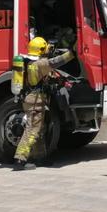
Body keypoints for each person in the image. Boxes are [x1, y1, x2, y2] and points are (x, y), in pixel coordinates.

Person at [11, 36, 74, 171]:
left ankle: (40, 157)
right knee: (32, 129)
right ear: (40, 49)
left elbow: (47, 79)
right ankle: (20, 158)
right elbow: (56, 62)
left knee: (39, 129)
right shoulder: (40, 64)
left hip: (33, 100)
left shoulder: (30, 63)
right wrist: (72, 52)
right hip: (35, 102)